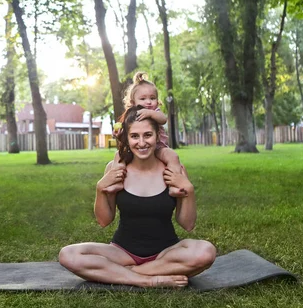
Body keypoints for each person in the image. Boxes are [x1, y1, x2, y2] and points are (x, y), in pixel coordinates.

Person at [58, 106, 216, 288]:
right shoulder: (115, 169)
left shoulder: (174, 170)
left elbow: (187, 224)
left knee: (206, 252)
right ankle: (148, 280)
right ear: (127, 137)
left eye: (147, 135)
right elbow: (104, 221)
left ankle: (123, 274)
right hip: (122, 253)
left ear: (157, 136)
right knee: (68, 255)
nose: (141, 143)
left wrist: (189, 189)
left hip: (166, 254)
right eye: (134, 136)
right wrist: (100, 188)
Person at [106, 72, 186, 197]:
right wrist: (118, 133)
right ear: (133, 102)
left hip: (159, 148)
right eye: (143, 99)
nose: (148, 102)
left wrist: (150, 113)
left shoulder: (155, 112)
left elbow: (163, 119)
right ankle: (116, 182)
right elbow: (125, 132)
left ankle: (174, 186)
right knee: (118, 157)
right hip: (135, 150)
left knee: (173, 157)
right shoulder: (131, 115)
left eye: (152, 98)